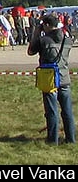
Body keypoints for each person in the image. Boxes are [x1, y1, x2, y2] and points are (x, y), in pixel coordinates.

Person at [28, 12, 75, 144]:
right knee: (67, 112)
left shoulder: (44, 40)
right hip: (64, 77)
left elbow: (31, 50)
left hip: (50, 79)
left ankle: (52, 140)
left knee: (52, 111)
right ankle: (70, 139)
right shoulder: (67, 40)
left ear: (47, 25)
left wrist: (36, 33)